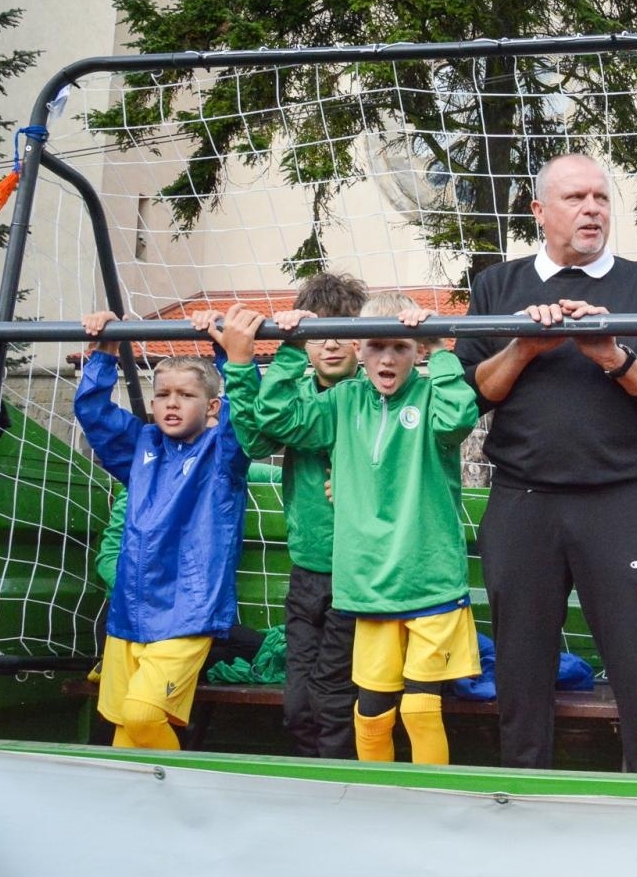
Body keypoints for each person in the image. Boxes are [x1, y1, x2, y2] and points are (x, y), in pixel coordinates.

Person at [454, 154, 637, 774]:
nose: (592, 209)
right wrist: (525, 347)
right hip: (522, 500)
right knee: (521, 666)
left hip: (620, 500)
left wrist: (611, 356)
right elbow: (474, 394)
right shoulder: (498, 286)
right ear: (539, 212)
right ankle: (524, 800)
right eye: (575, 199)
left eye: (601, 198)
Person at [225, 294, 482, 765]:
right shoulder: (342, 403)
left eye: (401, 347)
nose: (388, 357)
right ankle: (373, 800)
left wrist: (441, 348)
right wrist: (289, 347)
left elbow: (459, 417)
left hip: (430, 582)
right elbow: (276, 418)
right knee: (371, 713)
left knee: (423, 710)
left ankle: (433, 807)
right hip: (366, 588)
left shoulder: (430, 396)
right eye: (377, 345)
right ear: (358, 348)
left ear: (417, 351)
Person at [74, 309, 256, 749]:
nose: (171, 403)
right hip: (130, 612)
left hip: (187, 613)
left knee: (143, 714)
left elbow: (248, 412)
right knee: (125, 732)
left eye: (186, 395)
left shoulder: (224, 455)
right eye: (163, 395)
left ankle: (185, 802)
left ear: (212, 406)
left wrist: (230, 353)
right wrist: (104, 354)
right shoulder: (141, 447)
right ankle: (135, 814)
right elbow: (94, 413)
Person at [220, 272, 366, 759]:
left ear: (361, 340)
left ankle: (344, 788)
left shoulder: (375, 394)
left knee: (335, 697)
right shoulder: (293, 393)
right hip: (308, 569)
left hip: (361, 572)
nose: (328, 345)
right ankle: (311, 782)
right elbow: (258, 439)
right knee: (298, 702)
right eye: (314, 335)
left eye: (341, 333)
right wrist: (248, 364)